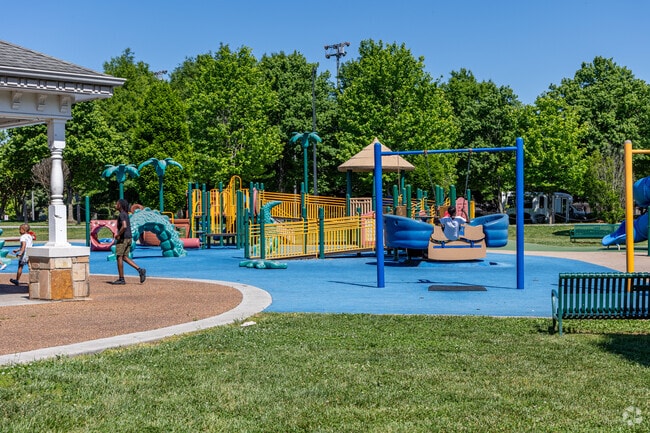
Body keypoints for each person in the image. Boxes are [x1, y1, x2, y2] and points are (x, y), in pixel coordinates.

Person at [112, 199, 146, 285]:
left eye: (117, 204)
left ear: (120, 205)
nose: (116, 205)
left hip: (123, 238)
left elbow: (124, 226)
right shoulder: (126, 214)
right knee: (124, 257)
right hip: (129, 238)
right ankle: (140, 270)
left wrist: (118, 235)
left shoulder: (122, 214)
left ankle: (121, 279)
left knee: (119, 257)